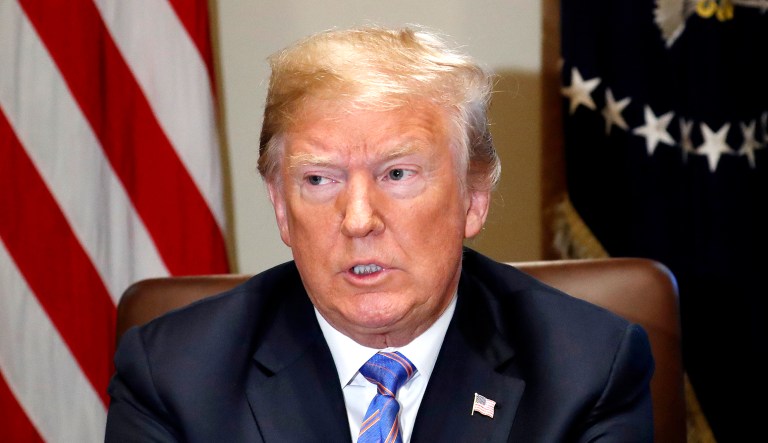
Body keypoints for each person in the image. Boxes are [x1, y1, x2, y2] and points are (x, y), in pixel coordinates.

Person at [105, 25, 654, 442]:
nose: (359, 218)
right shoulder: (174, 375)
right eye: (319, 179)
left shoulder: (587, 369)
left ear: (474, 197)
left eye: (397, 174)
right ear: (279, 205)